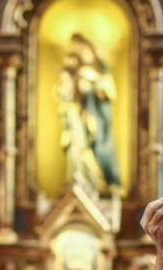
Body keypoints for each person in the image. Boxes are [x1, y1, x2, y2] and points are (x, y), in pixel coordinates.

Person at [67, 33, 121, 195]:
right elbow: (70, 95)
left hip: (99, 116)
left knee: (100, 146)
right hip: (82, 115)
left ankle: (105, 182)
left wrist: (93, 82)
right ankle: (82, 181)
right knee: (81, 148)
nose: (81, 53)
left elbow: (110, 92)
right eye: (78, 51)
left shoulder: (101, 69)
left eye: (83, 49)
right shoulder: (76, 71)